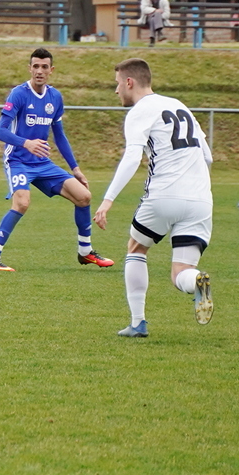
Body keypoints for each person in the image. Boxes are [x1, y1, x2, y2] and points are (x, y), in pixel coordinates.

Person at [94, 58, 213, 337]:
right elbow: (207, 155)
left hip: (163, 195)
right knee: (181, 271)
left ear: (129, 82)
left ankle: (138, 323)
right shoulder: (179, 105)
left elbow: (133, 157)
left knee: (136, 248)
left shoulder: (139, 111)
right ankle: (196, 280)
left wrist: (108, 199)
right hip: (201, 200)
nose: (116, 91)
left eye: (117, 84)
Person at [0, 48, 114, 272]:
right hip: (18, 160)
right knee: (22, 203)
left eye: (44, 67)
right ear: (29, 68)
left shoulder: (55, 97)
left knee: (84, 197)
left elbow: (60, 136)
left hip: (42, 164)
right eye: (35, 66)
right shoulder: (18, 94)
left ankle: (85, 252)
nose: (39, 71)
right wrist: (27, 143)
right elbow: (0, 132)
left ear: (51, 70)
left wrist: (76, 168)